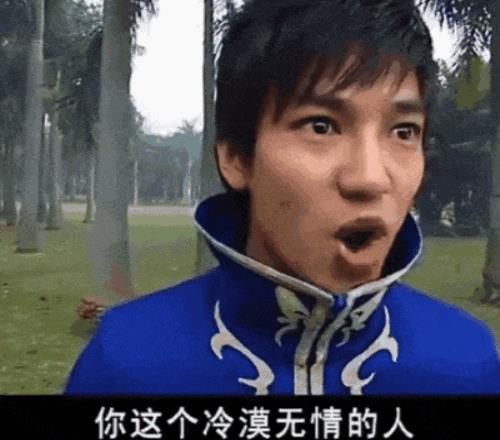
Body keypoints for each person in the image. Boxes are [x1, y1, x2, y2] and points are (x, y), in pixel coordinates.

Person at [65, 0, 500, 395]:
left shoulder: (466, 363)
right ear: (236, 158)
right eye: (321, 126)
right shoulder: (126, 364)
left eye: (403, 131)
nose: (369, 179)